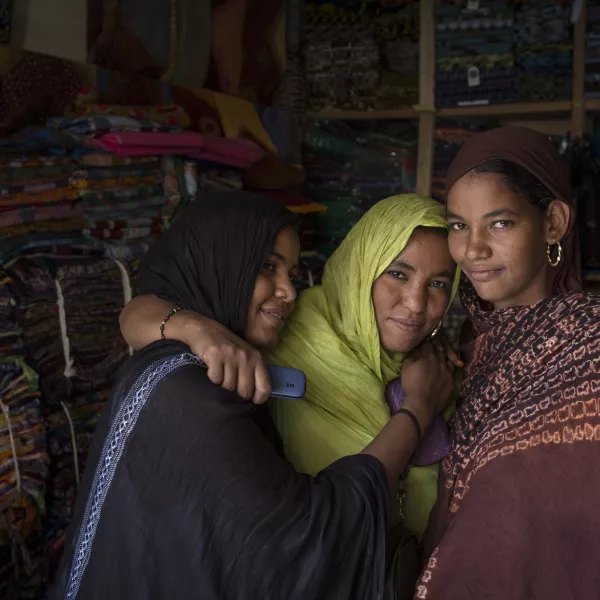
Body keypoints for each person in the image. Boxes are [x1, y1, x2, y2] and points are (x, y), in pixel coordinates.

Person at [49, 191, 454, 600]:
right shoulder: (201, 389)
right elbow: (306, 538)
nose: (289, 292)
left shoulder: (245, 351)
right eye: (266, 267)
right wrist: (418, 410)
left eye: (439, 283)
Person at [119, 194, 462, 538]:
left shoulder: (440, 367)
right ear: (361, 268)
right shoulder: (284, 333)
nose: (417, 303)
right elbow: (140, 312)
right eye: (398, 273)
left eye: (438, 284)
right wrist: (196, 328)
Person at [417, 126, 600, 600]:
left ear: (554, 222)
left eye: (499, 223)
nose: (472, 250)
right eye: (459, 225)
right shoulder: (469, 343)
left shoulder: (589, 345)